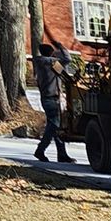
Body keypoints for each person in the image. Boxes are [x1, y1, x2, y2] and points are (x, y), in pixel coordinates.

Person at [33, 36, 74, 165]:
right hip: (51, 98)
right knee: (54, 126)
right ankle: (40, 150)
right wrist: (60, 46)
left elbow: (63, 74)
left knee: (57, 127)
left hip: (48, 97)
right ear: (51, 53)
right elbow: (68, 59)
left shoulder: (44, 63)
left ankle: (62, 154)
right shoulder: (51, 62)